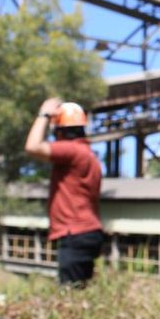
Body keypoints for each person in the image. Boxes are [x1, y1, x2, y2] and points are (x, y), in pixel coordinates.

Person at [24, 98, 105, 287]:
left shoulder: (72, 151)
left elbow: (32, 147)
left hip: (75, 233)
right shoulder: (89, 155)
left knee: (71, 293)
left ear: (59, 131)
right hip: (88, 232)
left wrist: (43, 114)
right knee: (80, 290)